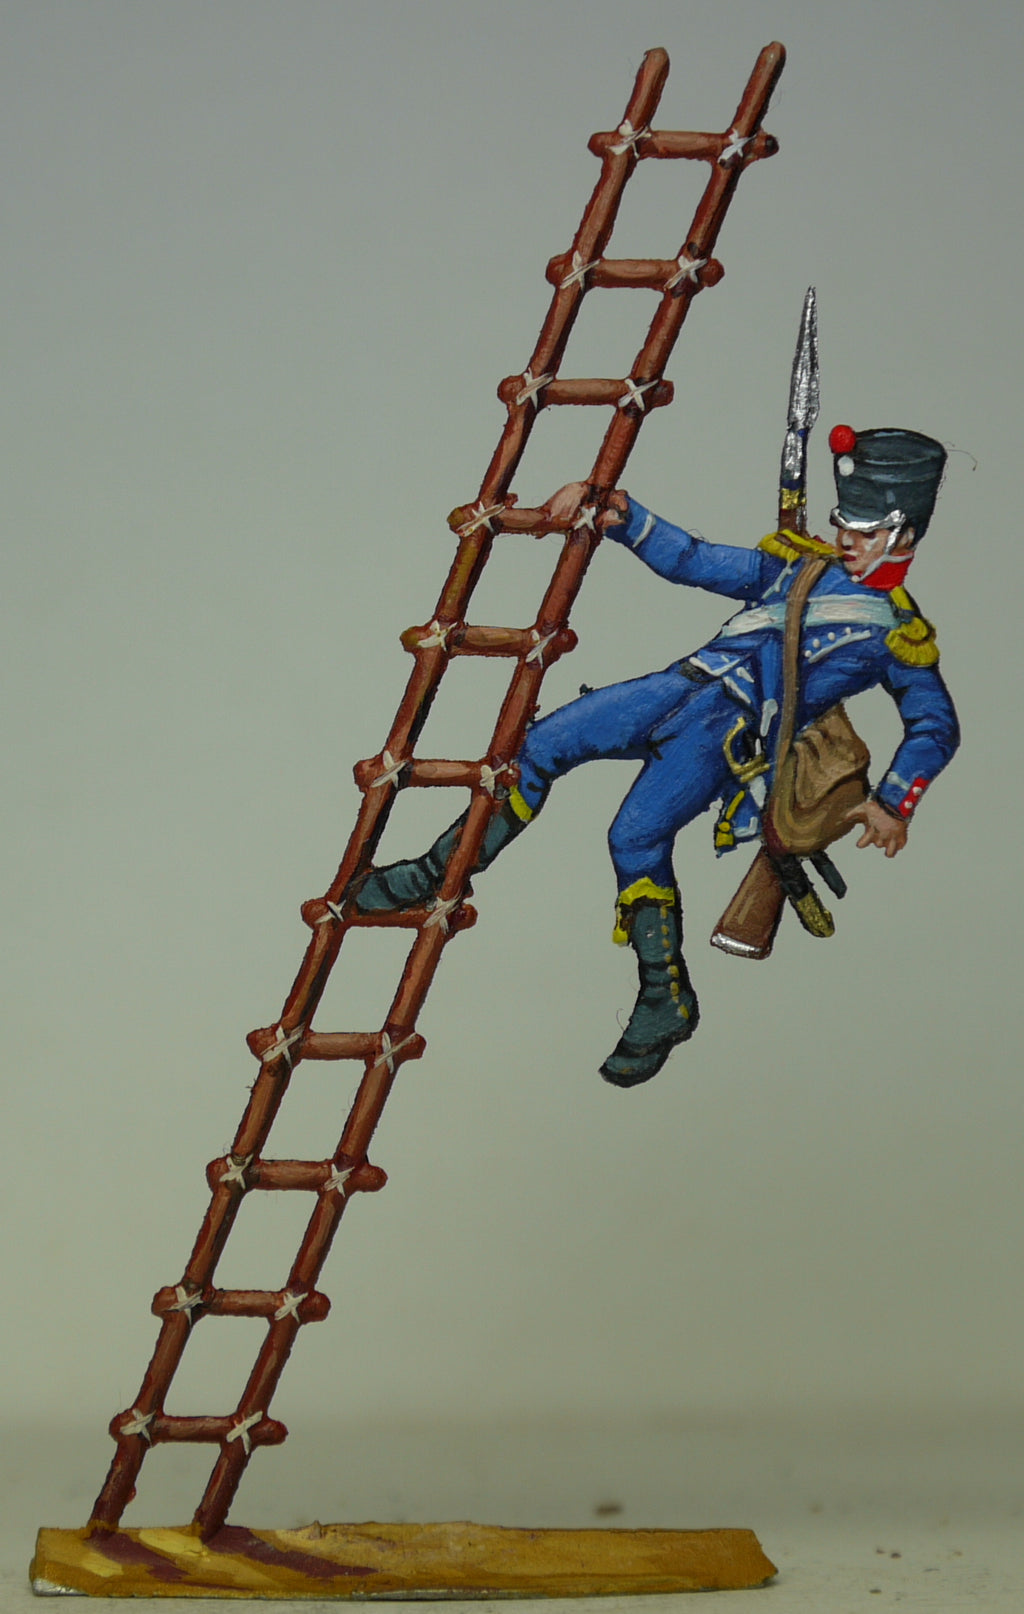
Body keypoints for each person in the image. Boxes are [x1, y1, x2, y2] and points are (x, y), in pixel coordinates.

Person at [352, 426, 960, 1088]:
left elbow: (935, 725)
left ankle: (663, 996)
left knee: (634, 836)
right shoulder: (798, 568)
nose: (846, 540)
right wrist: (623, 515)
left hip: (725, 732)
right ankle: (438, 872)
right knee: (540, 746)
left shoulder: (896, 635)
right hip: (676, 688)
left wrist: (894, 800)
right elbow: (693, 560)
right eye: (845, 525)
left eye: (864, 532)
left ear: (902, 535)